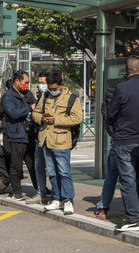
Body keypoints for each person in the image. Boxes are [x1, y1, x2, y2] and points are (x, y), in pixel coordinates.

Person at [107, 55, 139, 231]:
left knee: (127, 180)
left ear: (127, 70)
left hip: (125, 139)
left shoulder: (121, 88)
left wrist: (112, 126)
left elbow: (112, 113)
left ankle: (133, 219)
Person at [32, 71, 82, 215]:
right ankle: (56, 198)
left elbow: (76, 118)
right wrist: (42, 118)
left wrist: (56, 120)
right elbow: (35, 113)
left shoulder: (72, 98)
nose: (52, 91)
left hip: (61, 141)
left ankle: (67, 200)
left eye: (54, 88)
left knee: (64, 172)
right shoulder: (45, 96)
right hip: (46, 139)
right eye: (50, 88)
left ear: (61, 85)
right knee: (52, 173)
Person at [94, 74, 128, 219]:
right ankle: (137, 210)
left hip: (117, 137)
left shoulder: (113, 85)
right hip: (133, 136)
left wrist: (112, 131)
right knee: (131, 175)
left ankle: (103, 206)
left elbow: (106, 111)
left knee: (112, 173)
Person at [2, 70, 37, 200]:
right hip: (17, 135)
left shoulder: (28, 94)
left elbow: (36, 105)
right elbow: (13, 113)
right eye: (25, 82)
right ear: (17, 81)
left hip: (30, 134)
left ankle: (40, 189)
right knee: (16, 164)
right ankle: (17, 191)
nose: (27, 85)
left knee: (34, 164)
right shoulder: (8, 97)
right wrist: (29, 108)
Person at [26, 72, 50, 205]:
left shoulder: (53, 97)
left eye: (43, 83)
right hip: (39, 136)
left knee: (55, 169)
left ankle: (60, 196)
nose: (41, 85)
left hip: (52, 137)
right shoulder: (39, 97)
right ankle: (41, 192)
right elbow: (36, 115)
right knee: (39, 166)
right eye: (39, 83)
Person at [0, 79, 13, 171]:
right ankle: (18, 172)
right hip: (18, 130)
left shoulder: (6, 97)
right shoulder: (21, 96)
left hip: (6, 128)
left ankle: (10, 171)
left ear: (6, 88)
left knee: (8, 151)